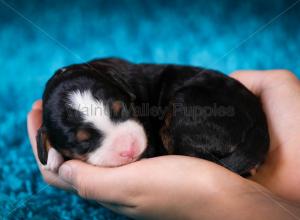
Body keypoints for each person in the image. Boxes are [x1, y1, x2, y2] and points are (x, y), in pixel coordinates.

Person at [27, 70, 300, 220]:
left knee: (188, 109)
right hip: (234, 129)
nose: (128, 144)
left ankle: (237, 162)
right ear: (48, 140)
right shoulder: (55, 128)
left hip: (220, 113)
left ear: (126, 93)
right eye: (86, 143)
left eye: (122, 113)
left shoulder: (122, 82)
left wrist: (221, 199)